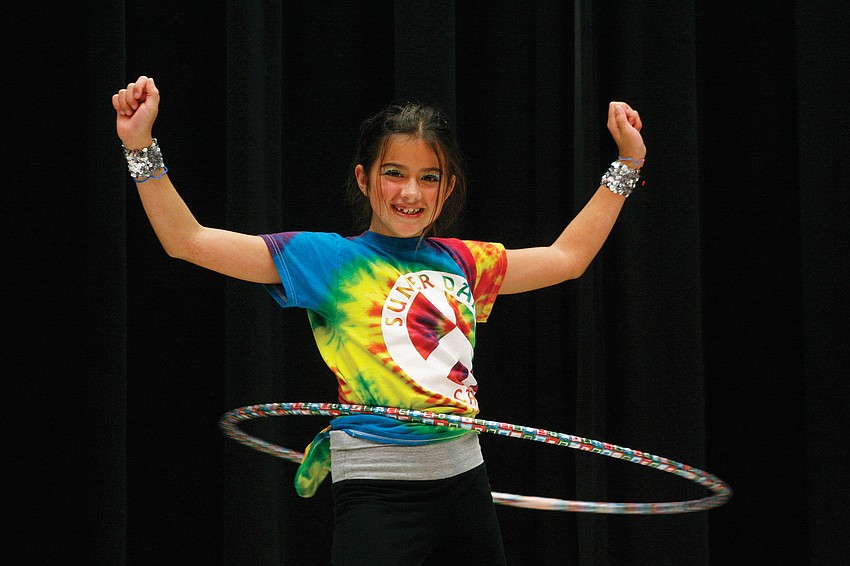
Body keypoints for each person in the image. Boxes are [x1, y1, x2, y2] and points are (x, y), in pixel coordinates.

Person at [112, 75, 645, 565]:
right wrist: (140, 146)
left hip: (465, 477)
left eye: (428, 177)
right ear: (364, 179)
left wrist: (627, 165)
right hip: (376, 487)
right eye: (394, 173)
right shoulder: (326, 261)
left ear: (448, 188)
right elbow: (188, 242)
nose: (410, 193)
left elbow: (568, 258)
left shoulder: (464, 260)